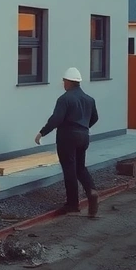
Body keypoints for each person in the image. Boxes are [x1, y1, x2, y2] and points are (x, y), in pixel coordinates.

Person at [35, 66, 100, 218]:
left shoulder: (65, 99)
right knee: (80, 168)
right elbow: (95, 118)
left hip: (67, 138)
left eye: (64, 81)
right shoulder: (89, 99)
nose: (63, 84)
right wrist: (83, 127)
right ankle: (92, 191)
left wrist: (42, 133)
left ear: (69, 82)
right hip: (84, 137)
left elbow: (56, 119)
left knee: (69, 169)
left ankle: (72, 204)